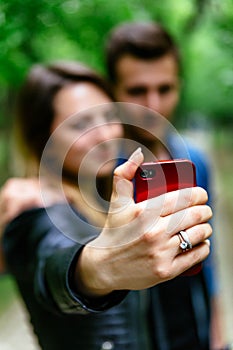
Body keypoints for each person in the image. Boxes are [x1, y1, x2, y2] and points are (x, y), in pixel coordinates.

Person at [0, 60, 212, 350]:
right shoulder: (34, 210)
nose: (104, 135)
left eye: (107, 116)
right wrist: (98, 267)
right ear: (42, 137)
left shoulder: (102, 195)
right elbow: (52, 259)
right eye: (80, 124)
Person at [104, 21, 225, 350]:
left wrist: (216, 333)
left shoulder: (195, 160)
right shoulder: (96, 170)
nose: (153, 105)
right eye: (137, 90)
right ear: (113, 90)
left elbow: (207, 255)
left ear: (179, 86)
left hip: (193, 331)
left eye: (165, 88)